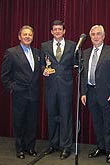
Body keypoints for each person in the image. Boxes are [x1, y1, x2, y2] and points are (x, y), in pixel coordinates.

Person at [81, 25, 110, 163]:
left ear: (103, 36)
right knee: (97, 123)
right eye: (93, 34)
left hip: (107, 95)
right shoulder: (85, 52)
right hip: (91, 93)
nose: (95, 36)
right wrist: (83, 92)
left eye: (98, 34)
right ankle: (101, 147)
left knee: (109, 124)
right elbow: (83, 75)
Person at [1, 25, 41, 159]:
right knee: (19, 123)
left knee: (31, 123)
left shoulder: (37, 52)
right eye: (25, 34)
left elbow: (38, 71)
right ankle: (20, 149)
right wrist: (12, 88)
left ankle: (30, 147)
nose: (28, 36)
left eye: (30, 34)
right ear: (19, 37)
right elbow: (4, 76)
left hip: (34, 94)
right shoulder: (11, 52)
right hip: (19, 94)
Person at [40, 20, 76, 160]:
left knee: (66, 117)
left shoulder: (73, 45)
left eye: (59, 29)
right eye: (54, 29)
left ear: (64, 31)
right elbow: (42, 64)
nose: (57, 31)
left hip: (66, 88)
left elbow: (76, 63)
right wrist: (44, 70)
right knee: (52, 116)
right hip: (50, 88)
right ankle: (53, 144)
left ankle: (66, 147)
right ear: (51, 31)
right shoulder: (44, 46)